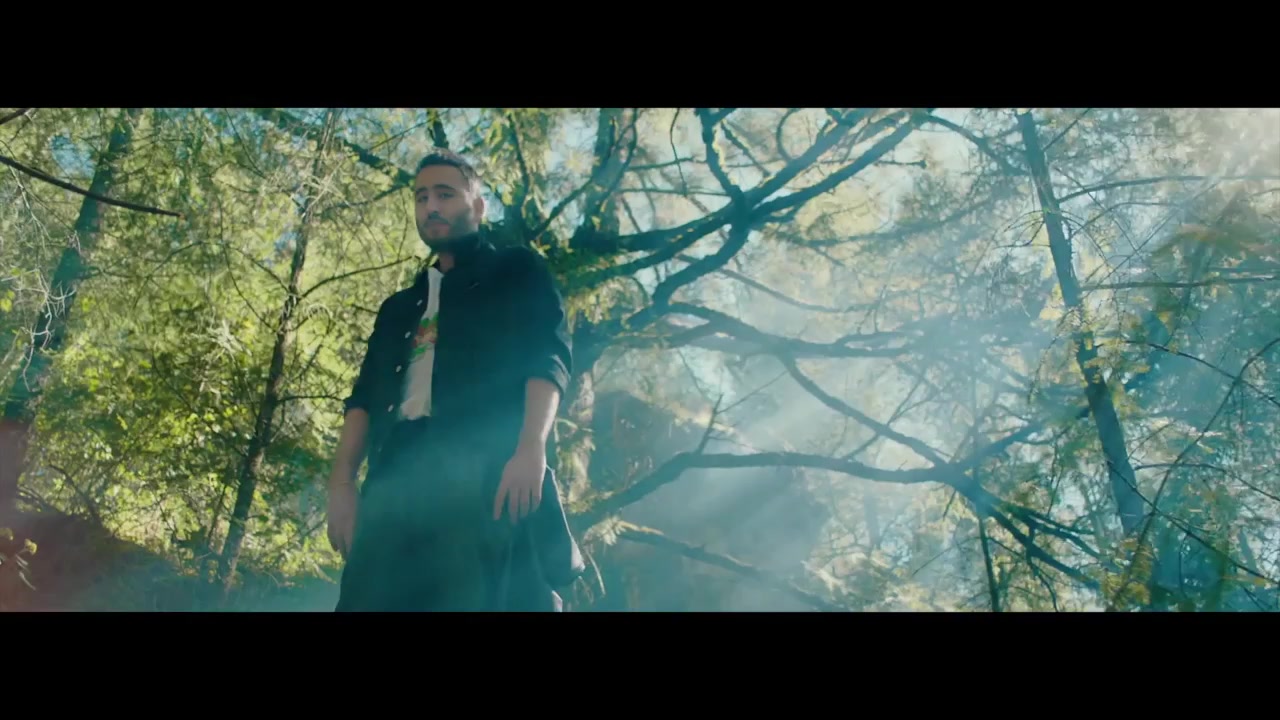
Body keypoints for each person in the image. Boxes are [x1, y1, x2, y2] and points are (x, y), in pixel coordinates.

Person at [326, 149, 584, 611]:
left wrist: (531, 448)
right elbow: (363, 398)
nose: (431, 206)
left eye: (445, 194)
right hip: (393, 479)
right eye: (421, 197)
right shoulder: (398, 308)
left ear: (478, 206)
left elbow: (546, 359)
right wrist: (342, 485)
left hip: (478, 472)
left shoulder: (516, 272)